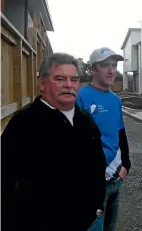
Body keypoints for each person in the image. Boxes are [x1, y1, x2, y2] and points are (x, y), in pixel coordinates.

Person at [1, 53, 107, 231]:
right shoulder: (24, 123)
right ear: (41, 83)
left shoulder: (85, 120)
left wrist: (97, 206)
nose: (68, 85)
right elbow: (5, 180)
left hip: (85, 222)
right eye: (60, 78)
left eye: (74, 79)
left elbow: (97, 165)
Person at [77, 47, 131, 231]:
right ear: (92, 69)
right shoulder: (80, 97)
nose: (111, 70)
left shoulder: (115, 100)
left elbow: (120, 134)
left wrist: (126, 165)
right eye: (105, 66)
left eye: (114, 65)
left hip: (116, 181)